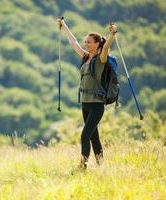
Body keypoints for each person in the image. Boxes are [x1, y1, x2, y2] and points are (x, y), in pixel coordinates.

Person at [57, 18, 117, 169]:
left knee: (85, 135)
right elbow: (73, 42)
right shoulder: (85, 57)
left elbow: (106, 48)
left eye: (89, 42)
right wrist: (64, 26)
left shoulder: (101, 59)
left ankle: (82, 167)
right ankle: (101, 165)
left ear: (97, 43)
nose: (86, 44)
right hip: (85, 103)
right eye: (86, 42)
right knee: (93, 137)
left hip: (97, 105)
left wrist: (112, 34)